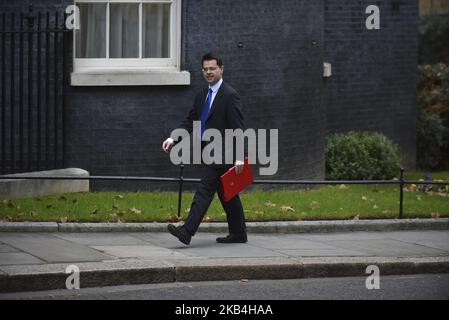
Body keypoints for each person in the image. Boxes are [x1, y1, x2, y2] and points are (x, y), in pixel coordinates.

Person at [162, 52, 247, 245]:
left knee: (204, 190)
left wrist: (240, 156)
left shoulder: (230, 95)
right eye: (205, 69)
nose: (209, 72)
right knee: (228, 195)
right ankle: (239, 233)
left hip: (223, 153)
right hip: (208, 153)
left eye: (212, 68)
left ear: (221, 69)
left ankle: (187, 231)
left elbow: (238, 128)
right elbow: (191, 120)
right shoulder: (202, 96)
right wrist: (173, 138)